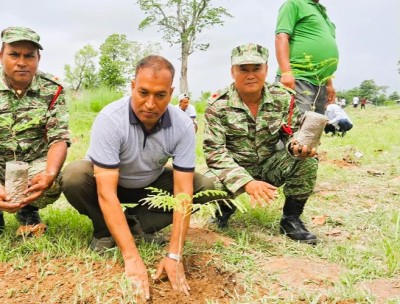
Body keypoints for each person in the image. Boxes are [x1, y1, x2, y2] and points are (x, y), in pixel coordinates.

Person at [62, 55, 215, 300]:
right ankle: (104, 231)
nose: (150, 104)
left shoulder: (183, 125)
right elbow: (106, 192)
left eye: (160, 95)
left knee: (204, 186)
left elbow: (183, 192)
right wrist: (132, 259)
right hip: (108, 183)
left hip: (150, 184)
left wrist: (174, 254)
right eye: (143, 92)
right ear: (132, 86)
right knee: (74, 176)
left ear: (171, 92)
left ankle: (136, 223)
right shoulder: (111, 119)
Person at [203, 43, 319, 245]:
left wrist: (298, 147)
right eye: (243, 69)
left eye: (256, 68)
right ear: (232, 72)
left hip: (269, 166)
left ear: (266, 69)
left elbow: (292, 134)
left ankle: (291, 219)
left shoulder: (283, 98)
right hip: (235, 168)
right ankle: (223, 210)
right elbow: (215, 152)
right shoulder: (217, 105)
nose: (250, 75)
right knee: (205, 184)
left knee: (308, 162)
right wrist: (245, 182)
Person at [0, 26, 70, 234]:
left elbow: (59, 138)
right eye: (14, 54)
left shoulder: (53, 89)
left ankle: (28, 209)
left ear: (38, 58)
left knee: (56, 179)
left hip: (31, 165)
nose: (22, 62)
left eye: (29, 55)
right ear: (1, 55)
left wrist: (49, 173)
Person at [275, 0, 339, 115]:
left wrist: (329, 84)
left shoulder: (322, 12)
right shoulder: (294, 4)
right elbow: (281, 37)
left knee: (314, 127)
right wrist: (286, 72)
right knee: (297, 125)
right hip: (298, 78)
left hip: (320, 84)